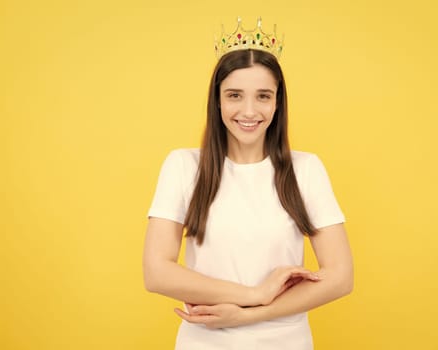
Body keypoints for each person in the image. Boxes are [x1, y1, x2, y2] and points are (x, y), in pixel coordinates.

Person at [143, 18, 353, 350]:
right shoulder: (183, 166)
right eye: (235, 95)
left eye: (263, 96)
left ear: (277, 102)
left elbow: (340, 277)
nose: (249, 110)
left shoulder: (306, 170)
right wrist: (254, 294)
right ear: (218, 100)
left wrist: (247, 315)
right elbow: (157, 273)